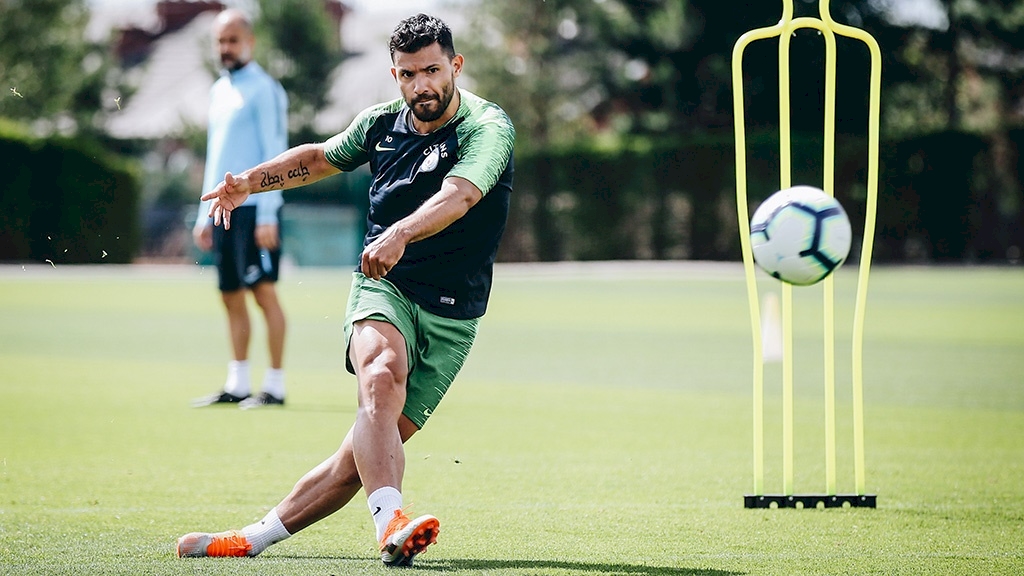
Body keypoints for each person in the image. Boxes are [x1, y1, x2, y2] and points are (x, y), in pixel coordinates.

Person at [175, 13, 515, 566]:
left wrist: (401, 231)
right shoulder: (381, 124)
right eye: (407, 75)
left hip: (454, 317)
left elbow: (462, 194)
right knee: (380, 374)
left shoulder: (487, 127)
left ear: (455, 65)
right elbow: (315, 159)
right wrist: (248, 182)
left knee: (360, 457)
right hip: (386, 286)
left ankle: (249, 539)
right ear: (394, 74)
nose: (420, 85)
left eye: (432, 70)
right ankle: (393, 524)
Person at [191, 8, 290, 410]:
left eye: (232, 40)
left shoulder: (265, 89)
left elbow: (275, 154)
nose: (225, 48)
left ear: (250, 42)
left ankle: (276, 385)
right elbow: (216, 159)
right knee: (230, 294)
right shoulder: (219, 91)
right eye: (220, 41)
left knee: (263, 294)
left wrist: (268, 213)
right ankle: (237, 383)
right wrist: (204, 216)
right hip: (223, 211)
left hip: (255, 211)